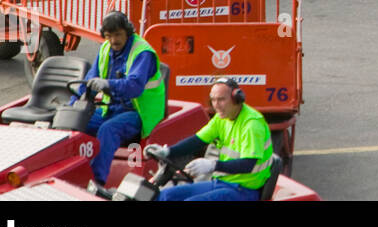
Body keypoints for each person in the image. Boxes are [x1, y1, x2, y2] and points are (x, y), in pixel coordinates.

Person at [75, 11, 165, 187]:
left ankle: (96, 181)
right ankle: (74, 174)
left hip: (138, 112)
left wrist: (107, 84)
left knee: (108, 130)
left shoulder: (142, 53)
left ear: (127, 32)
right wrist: (75, 107)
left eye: (118, 35)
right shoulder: (106, 48)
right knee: (77, 123)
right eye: (109, 36)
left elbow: (134, 87)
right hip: (112, 108)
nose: (114, 40)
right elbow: (89, 81)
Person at [146, 79, 273, 202]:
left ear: (236, 99)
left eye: (221, 99)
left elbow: (248, 165)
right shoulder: (222, 118)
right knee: (164, 196)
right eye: (213, 99)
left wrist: (212, 165)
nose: (216, 105)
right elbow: (197, 140)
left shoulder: (251, 124)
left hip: (244, 190)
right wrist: (167, 151)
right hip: (222, 182)